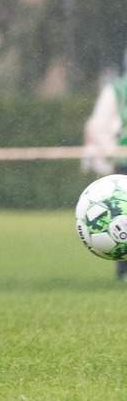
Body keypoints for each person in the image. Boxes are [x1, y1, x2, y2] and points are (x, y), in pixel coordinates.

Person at [83, 71, 127, 281]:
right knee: (122, 216)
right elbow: (98, 127)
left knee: (122, 217)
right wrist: (114, 152)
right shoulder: (117, 89)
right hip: (124, 164)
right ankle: (124, 270)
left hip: (122, 161)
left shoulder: (116, 89)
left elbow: (97, 126)